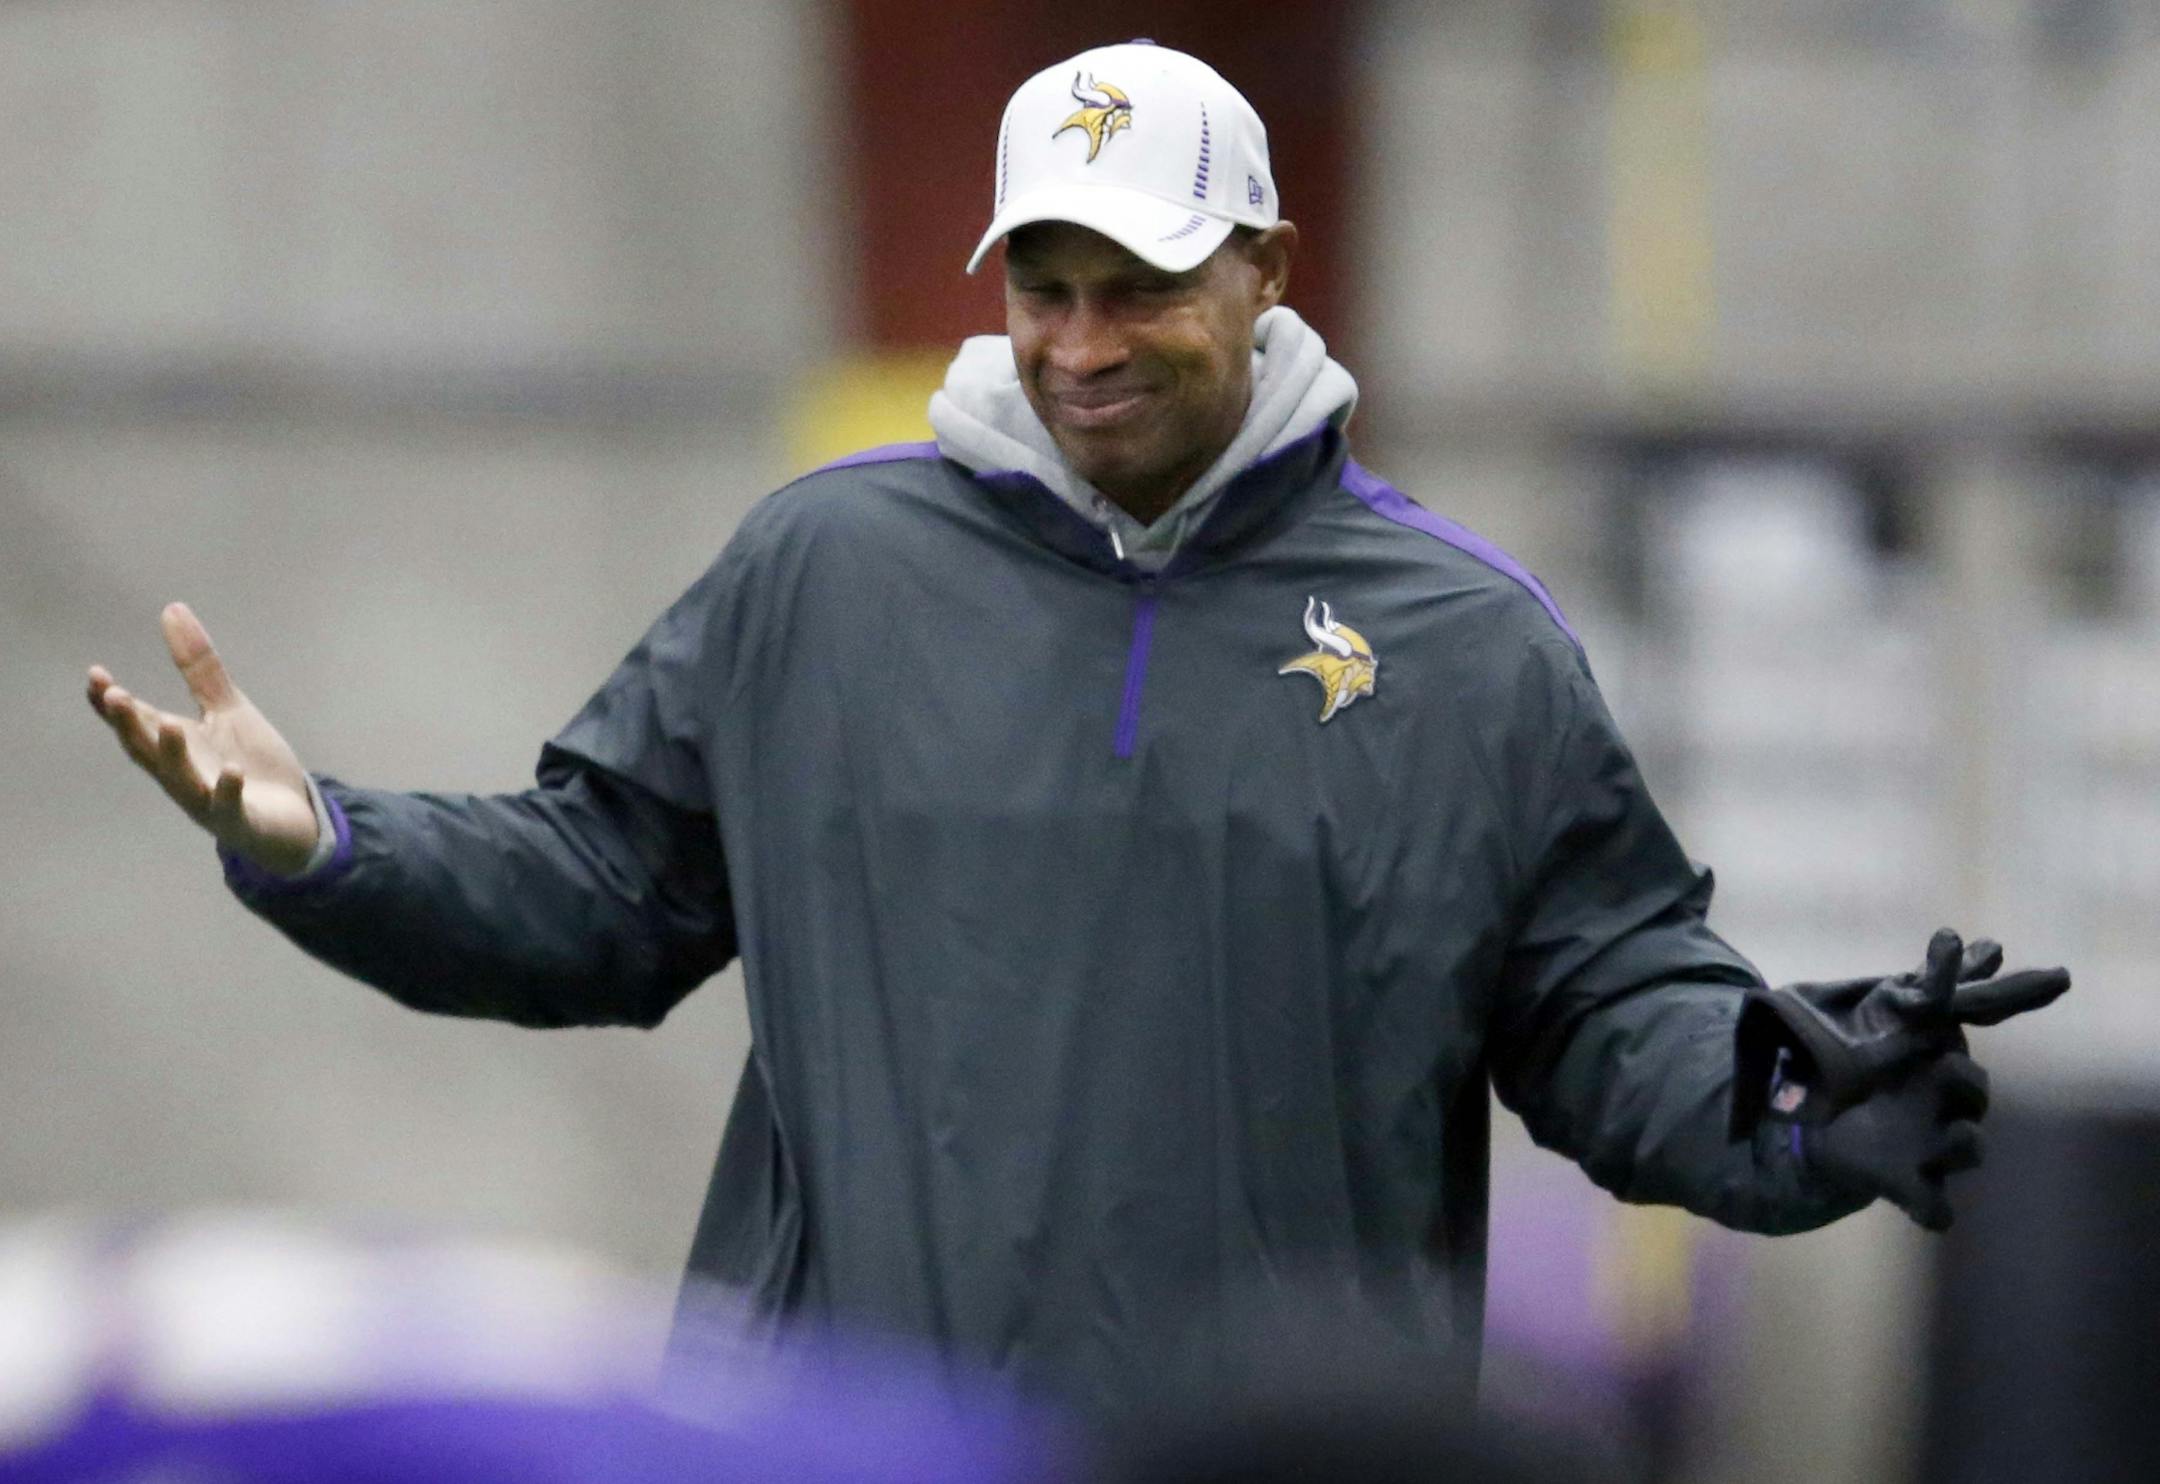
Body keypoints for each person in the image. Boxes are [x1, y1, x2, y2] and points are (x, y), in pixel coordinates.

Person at [83, 41, 2068, 1420]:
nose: (1082, 343)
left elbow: (1611, 1012)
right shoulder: (819, 572)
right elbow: (598, 888)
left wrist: (1791, 1108)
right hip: (859, 1443)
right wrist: (322, 841)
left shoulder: (1472, 653)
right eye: (1045, 284)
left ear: (1269, 274)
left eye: (1141, 287)